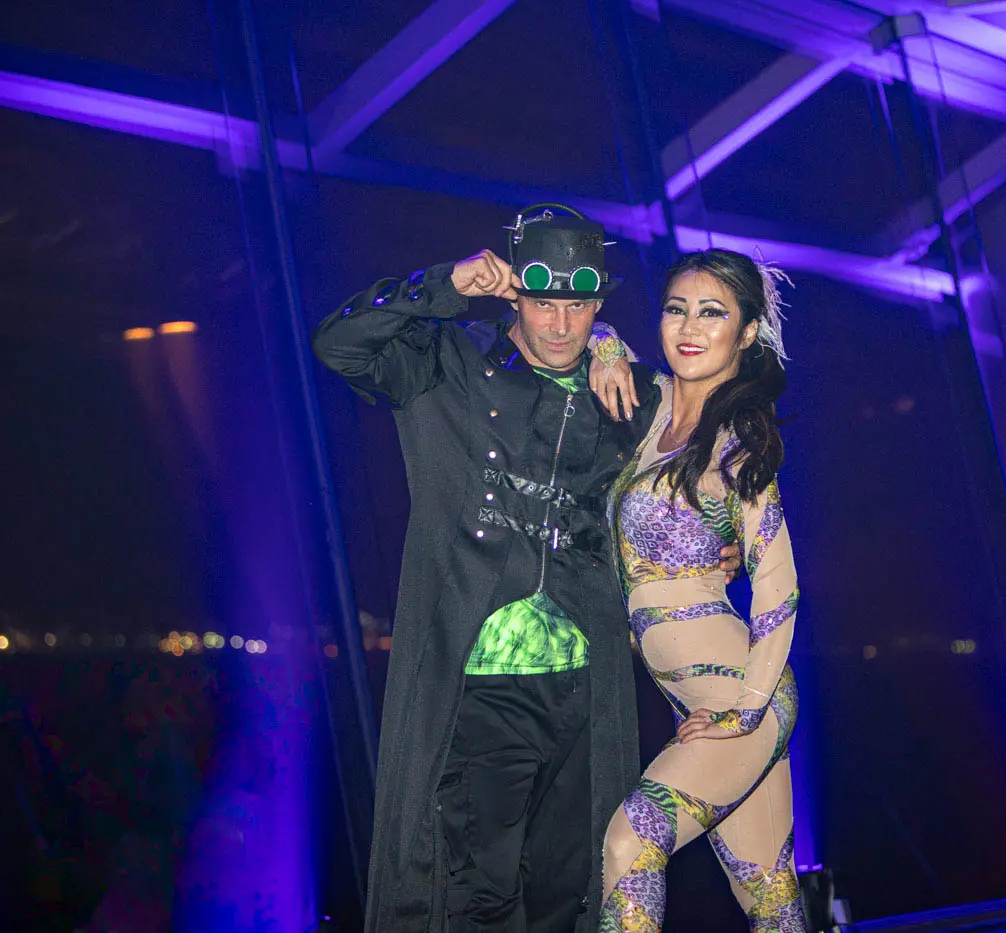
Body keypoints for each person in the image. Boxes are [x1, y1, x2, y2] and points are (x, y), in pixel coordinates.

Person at [311, 204, 740, 933]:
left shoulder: (629, 397)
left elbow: (691, 490)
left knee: (568, 892)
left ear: (599, 305)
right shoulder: (451, 362)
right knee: (480, 891)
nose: (560, 326)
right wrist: (444, 283)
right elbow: (338, 344)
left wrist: (715, 550)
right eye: (544, 304)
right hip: (485, 685)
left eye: (579, 308)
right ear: (514, 293)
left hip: (586, 687)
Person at [597, 249, 805, 930]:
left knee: (630, 842)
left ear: (747, 333)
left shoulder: (737, 443)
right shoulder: (654, 408)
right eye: (676, 309)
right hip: (696, 700)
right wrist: (605, 344)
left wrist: (744, 712)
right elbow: (592, 331)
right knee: (772, 902)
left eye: (712, 312)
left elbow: (777, 585)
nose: (689, 327)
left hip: (745, 696)